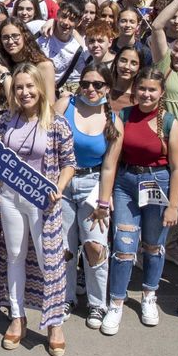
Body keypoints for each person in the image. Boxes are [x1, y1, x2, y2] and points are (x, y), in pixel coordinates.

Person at [0, 62, 76, 356]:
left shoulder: (57, 122)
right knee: (14, 256)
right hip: (10, 197)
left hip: (42, 200)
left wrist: (58, 189)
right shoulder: (8, 119)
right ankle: (17, 316)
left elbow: (69, 163)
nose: (25, 92)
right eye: (20, 87)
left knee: (49, 260)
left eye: (30, 86)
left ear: (39, 87)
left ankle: (54, 322)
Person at [97, 69, 178, 336]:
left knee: (153, 245)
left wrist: (173, 205)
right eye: (142, 89)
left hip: (157, 184)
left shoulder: (169, 123)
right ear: (134, 90)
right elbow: (111, 162)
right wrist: (104, 197)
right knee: (124, 246)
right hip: (125, 183)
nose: (146, 94)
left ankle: (149, 296)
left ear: (161, 93)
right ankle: (116, 302)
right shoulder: (123, 116)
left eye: (152, 90)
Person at [55, 60, 111, 328]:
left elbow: (110, 165)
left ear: (107, 88)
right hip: (64, 183)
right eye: (85, 83)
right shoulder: (66, 104)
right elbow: (48, 140)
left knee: (94, 246)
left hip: (93, 184)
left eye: (97, 84)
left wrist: (103, 201)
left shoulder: (112, 117)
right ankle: (66, 297)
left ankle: (97, 303)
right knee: (65, 248)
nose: (90, 88)